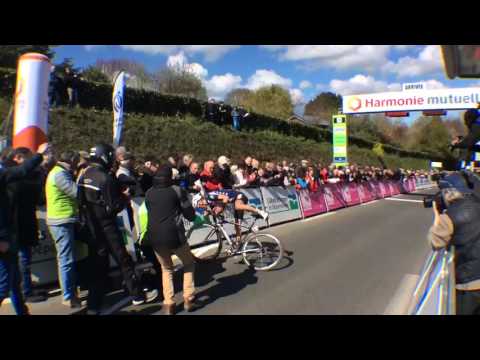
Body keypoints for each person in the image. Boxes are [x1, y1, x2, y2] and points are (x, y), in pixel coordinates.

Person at [78, 143, 158, 315]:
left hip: (91, 227)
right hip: (107, 226)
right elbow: (113, 206)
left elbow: (79, 202)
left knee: (98, 265)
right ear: (104, 156)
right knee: (123, 260)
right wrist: (124, 197)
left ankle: (93, 304)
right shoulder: (104, 178)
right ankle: (136, 294)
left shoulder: (82, 175)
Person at [0, 143, 50, 315]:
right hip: (5, 238)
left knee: (14, 281)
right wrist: (39, 155)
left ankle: (22, 311)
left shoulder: (5, 173)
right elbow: (19, 172)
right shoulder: (6, 174)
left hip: (11, 234)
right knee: (4, 285)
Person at [145, 165, 199, 315]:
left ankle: (168, 303)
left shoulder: (149, 192)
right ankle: (189, 298)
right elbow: (189, 213)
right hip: (174, 235)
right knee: (188, 263)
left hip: (154, 236)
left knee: (166, 268)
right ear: (170, 177)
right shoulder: (176, 190)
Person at [428, 172, 480, 315]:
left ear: (448, 192)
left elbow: (435, 242)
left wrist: (437, 215)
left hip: (469, 283)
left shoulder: (451, 216)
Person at [45, 151, 82, 308]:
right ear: (72, 161)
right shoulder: (60, 174)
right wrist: (80, 176)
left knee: (67, 258)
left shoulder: (57, 172)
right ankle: (68, 296)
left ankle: (71, 292)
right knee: (66, 259)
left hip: (62, 219)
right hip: (61, 221)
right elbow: (76, 192)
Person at [194, 188, 269, 246]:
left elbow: (225, 198)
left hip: (239, 196)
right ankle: (238, 243)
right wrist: (212, 213)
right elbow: (218, 210)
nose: (200, 207)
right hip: (235, 200)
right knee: (237, 225)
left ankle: (260, 211)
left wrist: (219, 209)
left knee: (237, 206)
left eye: (199, 205)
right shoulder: (209, 202)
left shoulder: (209, 196)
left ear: (200, 200)